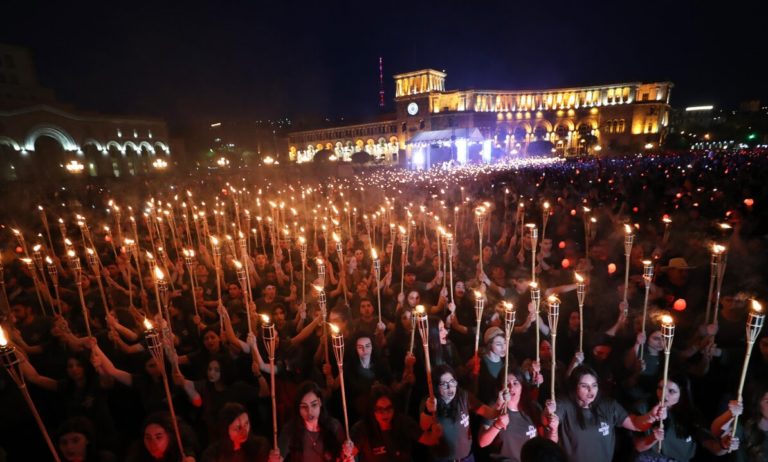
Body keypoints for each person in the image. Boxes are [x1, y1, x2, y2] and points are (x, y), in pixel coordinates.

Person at [545, 365, 664, 462]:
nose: (591, 390)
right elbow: (546, 425)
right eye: (584, 386)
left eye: (594, 385)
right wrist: (549, 417)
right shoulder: (565, 404)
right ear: (574, 387)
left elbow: (635, 424)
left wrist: (651, 416)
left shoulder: (608, 405)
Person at [633, 373, 730, 461]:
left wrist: (724, 445)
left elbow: (713, 447)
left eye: (671, 391)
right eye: (660, 388)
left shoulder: (691, 415)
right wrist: (653, 438)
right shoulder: (644, 407)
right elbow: (638, 446)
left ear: (682, 393)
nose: (663, 394)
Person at [420, 364, 501, 462]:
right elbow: (423, 428)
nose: (450, 387)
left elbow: (491, 414)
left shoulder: (463, 397)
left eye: (452, 382)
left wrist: (500, 402)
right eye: (444, 384)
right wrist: (428, 411)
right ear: (436, 386)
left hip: (467, 458)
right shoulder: (430, 402)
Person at [478, 369, 557, 462]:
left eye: (515, 383)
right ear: (501, 387)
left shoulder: (533, 407)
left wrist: (553, 429)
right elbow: (482, 442)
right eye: (507, 383)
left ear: (522, 386)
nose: (511, 387)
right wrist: (497, 425)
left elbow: (548, 445)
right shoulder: (495, 407)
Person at [273, 381, 354, 462]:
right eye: (304, 407)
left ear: (320, 402)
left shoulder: (333, 426)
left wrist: (348, 454)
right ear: (298, 408)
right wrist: (273, 459)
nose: (309, 411)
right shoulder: (290, 430)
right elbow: (278, 458)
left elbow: (346, 457)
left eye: (314, 405)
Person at [350, 385, 423, 461]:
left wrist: (428, 411)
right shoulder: (362, 429)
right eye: (380, 409)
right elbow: (349, 454)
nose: (385, 413)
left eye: (389, 408)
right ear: (372, 410)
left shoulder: (403, 422)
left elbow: (429, 439)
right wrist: (347, 453)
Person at [200, 402, 269, 462]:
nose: (244, 431)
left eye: (246, 424)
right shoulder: (212, 455)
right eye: (238, 428)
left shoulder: (259, 447)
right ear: (226, 430)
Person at [126, 412, 196, 462]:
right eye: (148, 438)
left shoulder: (182, 452)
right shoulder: (137, 454)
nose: (153, 444)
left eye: (158, 437)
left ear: (170, 436)